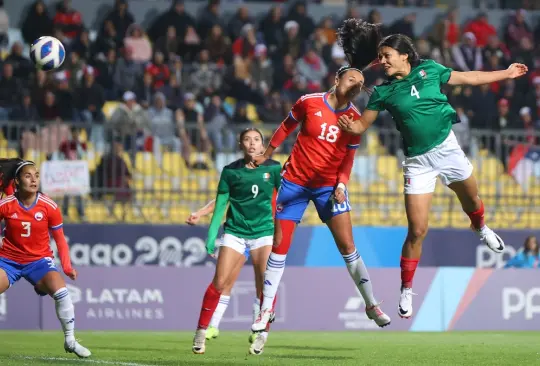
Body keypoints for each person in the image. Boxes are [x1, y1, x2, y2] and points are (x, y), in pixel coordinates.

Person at [336, 22, 528, 319]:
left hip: (448, 150)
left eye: (387, 55)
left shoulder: (432, 70)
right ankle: (406, 288)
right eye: (381, 56)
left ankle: (480, 228)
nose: (383, 61)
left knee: (473, 203)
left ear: (404, 56)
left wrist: (506, 72)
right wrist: (351, 126)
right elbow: (362, 125)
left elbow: (470, 77)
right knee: (417, 230)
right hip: (418, 162)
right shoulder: (382, 93)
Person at [249, 20, 391, 344]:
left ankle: (370, 304)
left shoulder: (354, 120)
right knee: (278, 249)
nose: (357, 83)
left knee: (348, 247)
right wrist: (268, 155)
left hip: (328, 187)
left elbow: (349, 158)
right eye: (352, 77)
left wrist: (342, 183)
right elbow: (285, 128)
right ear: (338, 77)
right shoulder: (308, 102)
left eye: (361, 81)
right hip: (294, 184)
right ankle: (264, 311)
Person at [192, 128, 281, 355]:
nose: (252, 144)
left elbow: (287, 198)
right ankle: (202, 330)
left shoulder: (274, 168)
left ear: (263, 146)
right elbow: (221, 204)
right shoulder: (230, 172)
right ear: (240, 145)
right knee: (220, 282)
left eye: (256, 140)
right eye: (247, 140)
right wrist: (212, 236)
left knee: (266, 286)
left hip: (263, 232)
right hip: (235, 233)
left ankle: (262, 334)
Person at [0, 158, 91, 358]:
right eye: (27, 176)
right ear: (16, 181)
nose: (33, 180)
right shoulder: (6, 204)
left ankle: (70, 340)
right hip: (8, 261)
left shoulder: (49, 206)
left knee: (61, 292)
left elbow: (60, 240)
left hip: (38, 262)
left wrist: (67, 267)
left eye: (36, 176)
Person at [186, 199, 274, 345]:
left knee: (262, 284)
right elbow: (221, 199)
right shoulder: (237, 176)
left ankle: (257, 331)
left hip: (261, 234)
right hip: (237, 234)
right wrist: (200, 213)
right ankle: (213, 326)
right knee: (224, 281)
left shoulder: (271, 178)